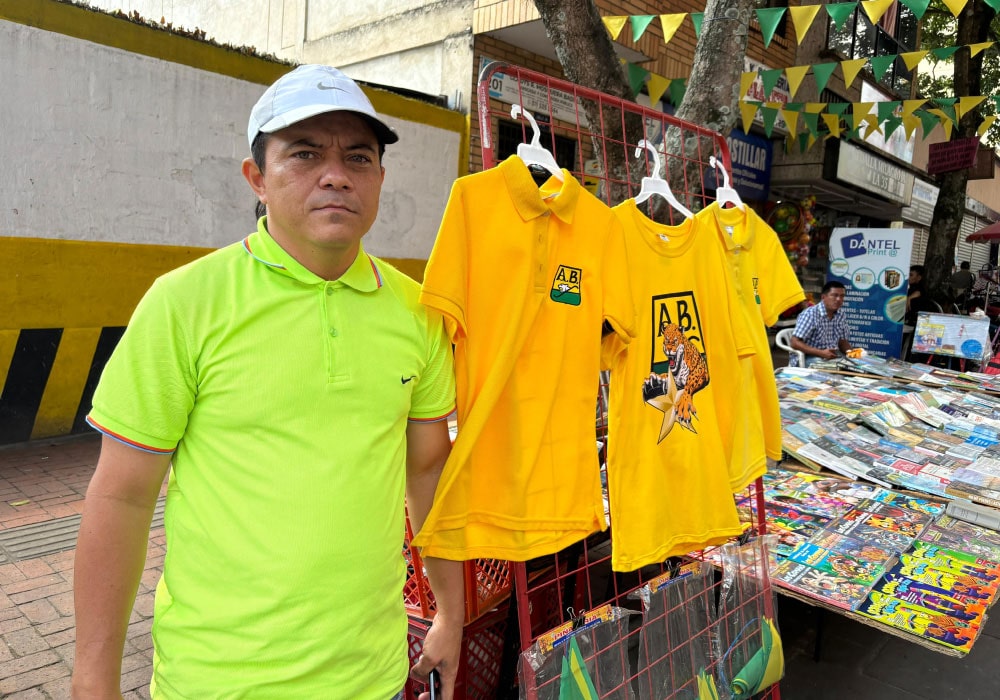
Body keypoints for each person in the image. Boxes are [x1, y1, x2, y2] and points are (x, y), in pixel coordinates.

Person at [72, 65, 464, 700]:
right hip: (218, 683)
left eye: (358, 157)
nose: (336, 174)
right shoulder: (184, 304)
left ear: (381, 179)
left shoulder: (420, 313)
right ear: (256, 178)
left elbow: (427, 473)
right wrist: (93, 682)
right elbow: (120, 499)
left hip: (376, 677)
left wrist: (451, 610)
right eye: (304, 154)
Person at [789, 281, 854, 366]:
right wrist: (821, 353)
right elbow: (794, 342)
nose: (839, 299)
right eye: (834, 295)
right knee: (836, 373)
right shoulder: (810, 314)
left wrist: (854, 355)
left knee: (856, 368)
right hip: (807, 357)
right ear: (823, 297)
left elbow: (842, 342)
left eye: (842, 296)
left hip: (831, 357)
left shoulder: (840, 314)